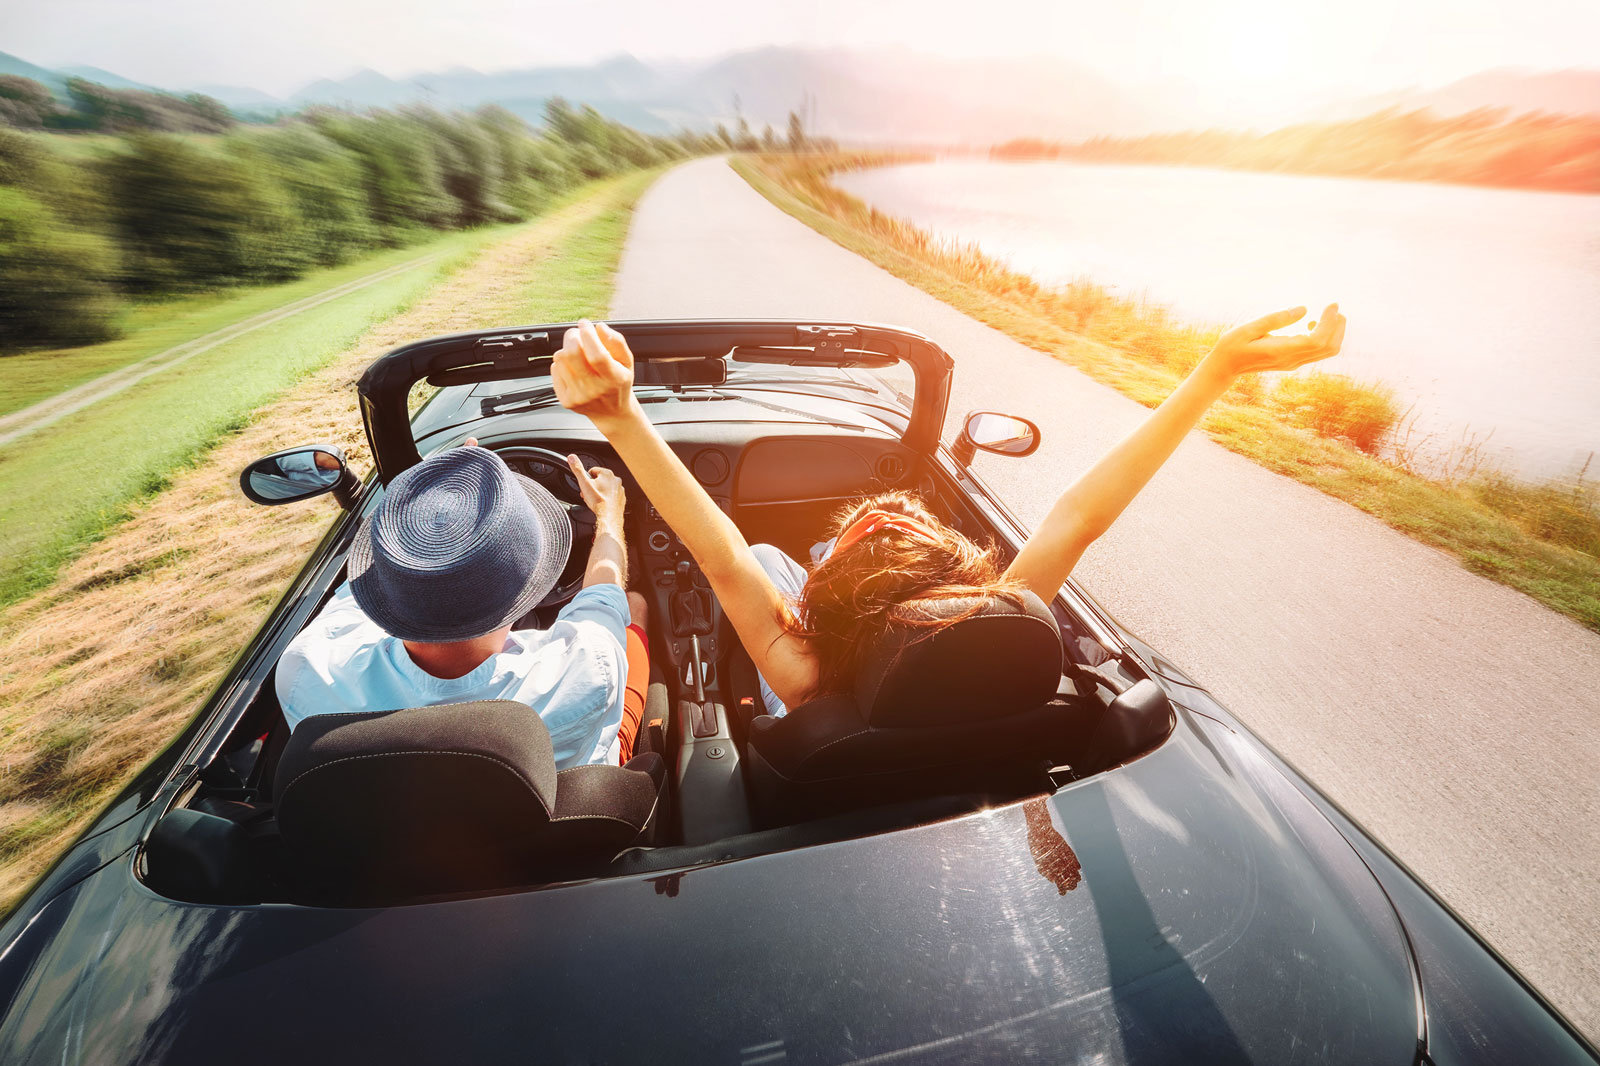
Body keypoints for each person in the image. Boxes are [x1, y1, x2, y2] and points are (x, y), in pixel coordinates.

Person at [552, 307, 1345, 717]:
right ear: (956, 576)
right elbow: (1079, 517)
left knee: (762, 559)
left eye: (835, 549)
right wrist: (1216, 371)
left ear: (821, 599)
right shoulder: (1005, 618)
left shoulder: (806, 680)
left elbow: (723, 553)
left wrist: (622, 417)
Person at [275, 441, 652, 769]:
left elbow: (361, 586)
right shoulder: (589, 666)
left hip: (402, 836)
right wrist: (608, 514)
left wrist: (428, 513)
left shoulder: (306, 669)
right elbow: (605, 593)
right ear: (531, 577)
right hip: (562, 816)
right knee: (634, 606)